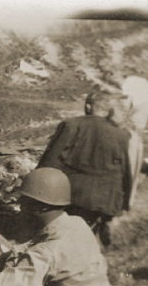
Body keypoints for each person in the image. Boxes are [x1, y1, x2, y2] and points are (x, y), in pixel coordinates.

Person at [37, 93, 133, 245]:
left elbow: (50, 161)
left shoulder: (72, 125)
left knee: (57, 239)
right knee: (83, 240)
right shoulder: (122, 136)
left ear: (88, 106)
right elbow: (125, 173)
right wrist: (117, 208)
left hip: (71, 197)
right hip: (102, 202)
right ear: (109, 111)